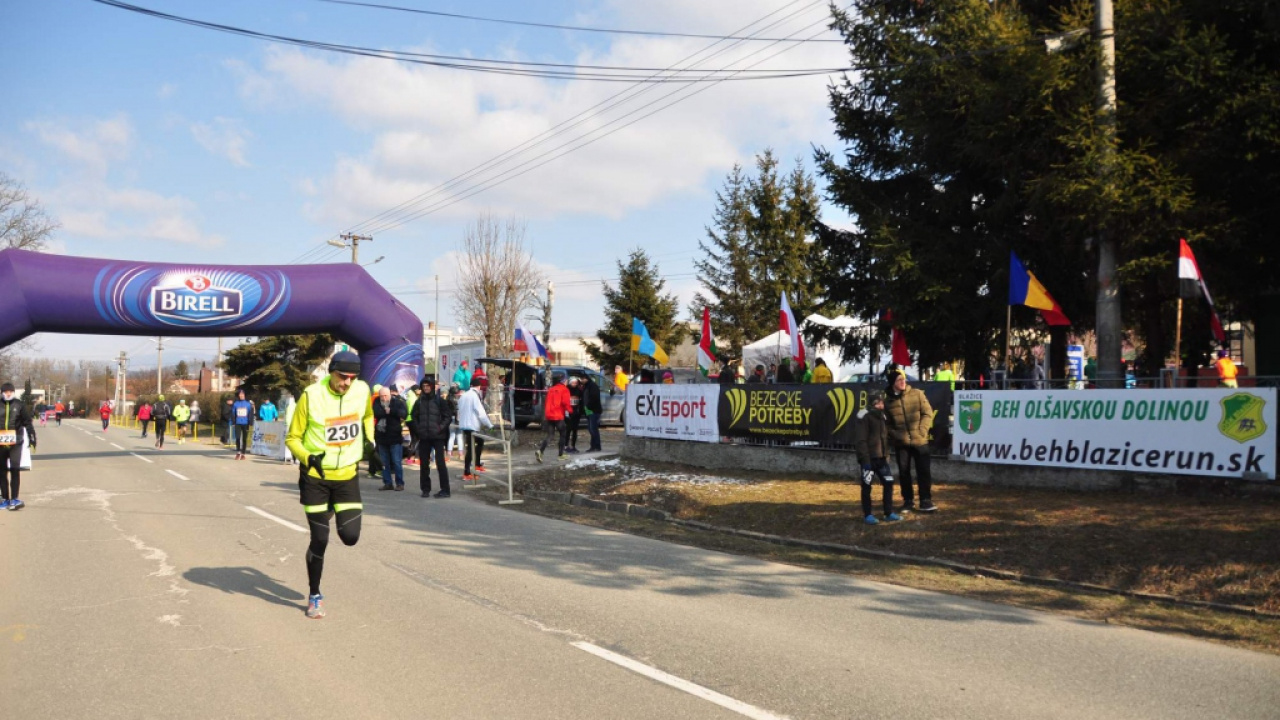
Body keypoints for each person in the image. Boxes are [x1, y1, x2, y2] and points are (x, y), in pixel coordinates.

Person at [285, 350, 374, 620]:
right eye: (342, 377)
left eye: (352, 378)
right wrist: (308, 457)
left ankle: (332, 510)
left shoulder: (361, 390)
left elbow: (367, 416)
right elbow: (292, 438)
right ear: (330, 372)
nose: (347, 383)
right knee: (320, 539)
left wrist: (370, 441)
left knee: (350, 537)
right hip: (316, 478)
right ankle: (314, 596)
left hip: (347, 476)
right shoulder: (312, 395)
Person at [883, 370, 937, 513]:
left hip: (920, 441)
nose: (903, 382)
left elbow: (928, 413)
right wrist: (896, 435)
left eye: (903, 379)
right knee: (904, 472)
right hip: (902, 444)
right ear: (892, 384)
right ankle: (908, 501)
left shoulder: (917, 394)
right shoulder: (887, 402)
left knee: (924, 471)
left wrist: (922, 431)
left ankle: (926, 500)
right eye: (899, 380)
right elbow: (886, 424)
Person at [854, 391, 899, 525]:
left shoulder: (883, 417)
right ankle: (867, 514)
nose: (882, 404)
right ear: (874, 403)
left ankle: (888, 512)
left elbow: (884, 438)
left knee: (889, 483)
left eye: (882, 402)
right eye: (879, 402)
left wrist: (887, 455)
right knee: (867, 486)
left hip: (882, 459)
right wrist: (865, 459)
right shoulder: (864, 416)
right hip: (869, 459)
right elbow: (861, 440)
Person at [409, 376, 452, 498]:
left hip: (438, 437)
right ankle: (425, 489)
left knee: (440, 463)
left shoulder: (440, 401)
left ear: (432, 387)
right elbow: (413, 416)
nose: (426, 388)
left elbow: (447, 417)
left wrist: (439, 428)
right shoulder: (419, 402)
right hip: (424, 437)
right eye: (424, 386)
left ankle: (445, 490)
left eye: (428, 386)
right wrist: (418, 429)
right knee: (424, 465)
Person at [1, 382, 36, 511]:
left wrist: (32, 437)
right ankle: (5, 499)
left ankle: (14, 498)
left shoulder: (19, 405)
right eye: (5, 392)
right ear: (2, 393)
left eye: (10, 391)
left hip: (16, 442)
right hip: (1, 444)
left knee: (15, 470)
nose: (8, 393)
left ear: (13, 392)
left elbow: (27, 422)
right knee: (2, 471)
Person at [372, 385, 408, 491]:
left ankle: (399, 483)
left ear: (390, 394)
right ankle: (387, 483)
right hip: (381, 437)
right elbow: (376, 412)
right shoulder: (377, 402)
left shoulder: (397, 402)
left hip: (395, 437)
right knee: (384, 462)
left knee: (396, 462)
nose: (383, 398)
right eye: (382, 396)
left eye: (386, 396)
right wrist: (385, 412)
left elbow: (404, 414)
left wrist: (391, 411)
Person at [456, 381, 492, 486]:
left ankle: (475, 465)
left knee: (476, 444)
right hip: (472, 425)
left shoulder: (463, 396)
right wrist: (489, 425)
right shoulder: (474, 396)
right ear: (479, 387)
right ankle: (468, 471)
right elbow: (481, 413)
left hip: (464, 425)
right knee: (474, 446)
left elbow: (460, 410)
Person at [535, 371, 572, 463]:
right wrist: (571, 411)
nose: (567, 381)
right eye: (566, 380)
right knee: (563, 434)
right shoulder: (564, 389)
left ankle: (540, 451)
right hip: (558, 415)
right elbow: (565, 403)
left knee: (550, 435)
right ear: (563, 381)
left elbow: (547, 401)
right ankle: (561, 454)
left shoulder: (551, 389)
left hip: (549, 415)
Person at [231, 388, 254, 460]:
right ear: (238, 395)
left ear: (244, 395)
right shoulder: (235, 404)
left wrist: (250, 422)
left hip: (245, 423)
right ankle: (238, 452)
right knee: (238, 438)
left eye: (242, 394)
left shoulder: (248, 404)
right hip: (238, 423)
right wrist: (233, 422)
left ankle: (243, 454)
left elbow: (250, 414)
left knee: (244, 439)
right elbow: (233, 413)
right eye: (240, 394)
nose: (241, 395)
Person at [582, 373, 603, 453]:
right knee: (591, 429)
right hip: (589, 410)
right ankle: (593, 445)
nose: (582, 380)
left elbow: (594, 398)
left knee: (593, 429)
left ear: (587, 379)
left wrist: (588, 406)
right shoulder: (586, 386)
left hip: (593, 410)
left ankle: (596, 446)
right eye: (582, 379)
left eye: (583, 379)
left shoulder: (592, 386)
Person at [565, 376, 584, 453]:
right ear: (570, 383)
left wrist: (581, 410)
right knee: (568, 429)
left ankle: (573, 446)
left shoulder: (579, 390)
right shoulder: (566, 390)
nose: (574, 384)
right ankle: (566, 446)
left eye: (575, 383)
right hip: (568, 412)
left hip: (576, 412)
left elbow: (581, 400)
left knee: (575, 430)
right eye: (573, 383)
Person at [445, 385, 463, 460]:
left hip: (451, 418)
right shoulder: (458, 399)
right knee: (459, 436)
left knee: (452, 436)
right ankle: (461, 454)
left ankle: (449, 453)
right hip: (458, 418)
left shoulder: (448, 398)